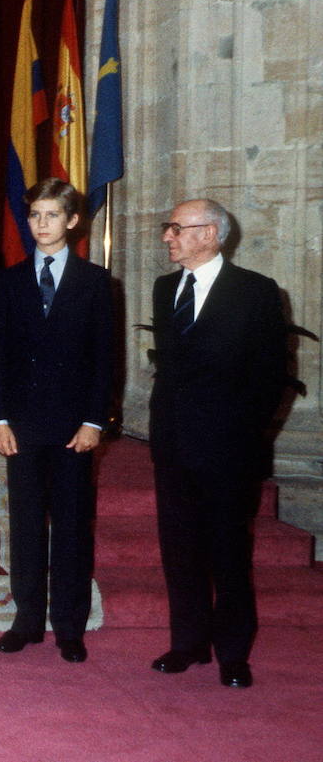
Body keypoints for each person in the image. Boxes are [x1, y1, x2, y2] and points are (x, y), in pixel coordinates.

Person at [148, 198, 287, 689]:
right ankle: (188, 644)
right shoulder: (166, 289)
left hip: (230, 450)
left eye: (176, 228)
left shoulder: (256, 292)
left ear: (210, 234)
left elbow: (271, 378)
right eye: (169, 229)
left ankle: (232, 653)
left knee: (229, 552)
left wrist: (238, 436)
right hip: (173, 445)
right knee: (179, 549)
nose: (168, 236)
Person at [0, 179, 113, 663]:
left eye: (51, 215)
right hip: (21, 425)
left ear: (72, 220)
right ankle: (26, 621)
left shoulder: (96, 283)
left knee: (72, 526)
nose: (41, 225)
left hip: (72, 429)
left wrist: (93, 422)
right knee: (24, 524)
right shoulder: (10, 281)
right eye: (35, 215)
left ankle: (68, 625)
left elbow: (104, 360)